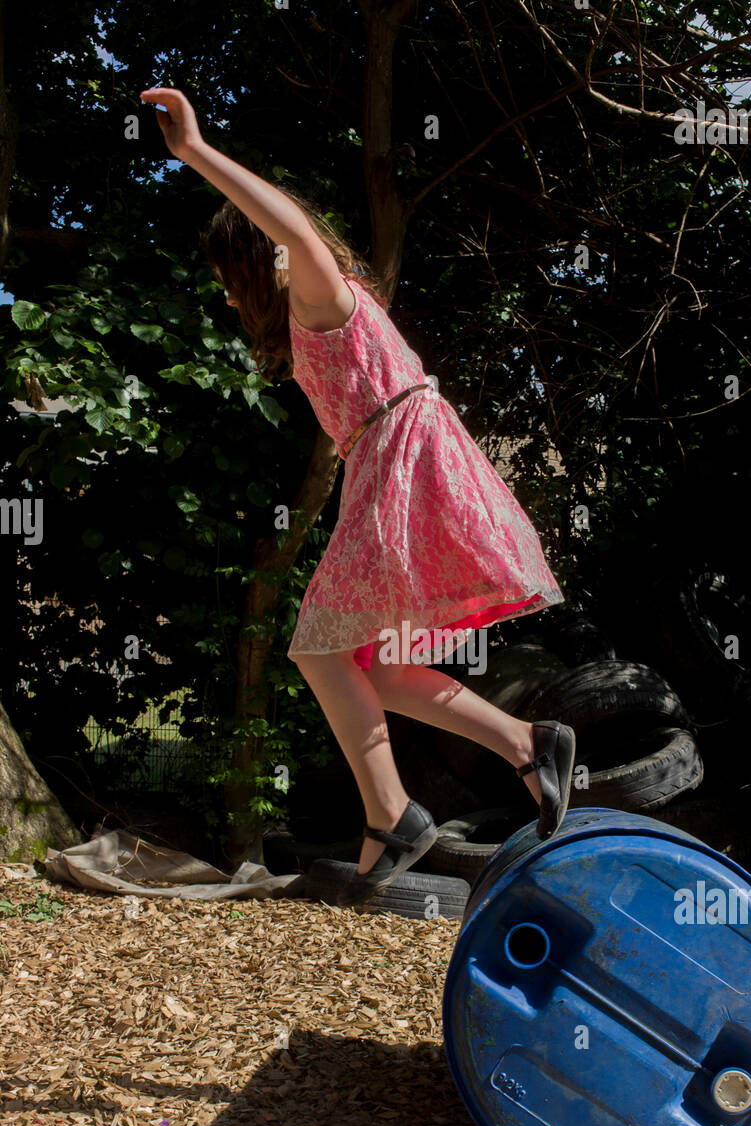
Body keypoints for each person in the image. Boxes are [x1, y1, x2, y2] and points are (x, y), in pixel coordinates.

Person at [142, 86, 576, 906]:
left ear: (255, 259)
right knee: (381, 666)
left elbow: (295, 228)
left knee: (315, 644)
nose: (232, 297)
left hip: (402, 464)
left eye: (229, 278)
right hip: (387, 465)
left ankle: (392, 812)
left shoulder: (318, 287)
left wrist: (195, 154)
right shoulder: (314, 317)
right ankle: (529, 741)